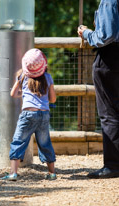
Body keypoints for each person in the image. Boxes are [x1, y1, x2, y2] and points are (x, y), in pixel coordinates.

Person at [1, 48, 57, 181]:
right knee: (45, 143)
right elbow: (53, 99)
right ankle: (52, 173)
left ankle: (13, 173)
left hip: (28, 114)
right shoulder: (48, 78)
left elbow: (13, 94)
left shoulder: (22, 76)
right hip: (44, 115)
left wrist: (23, 94)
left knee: (18, 141)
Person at [77, 0, 119, 178]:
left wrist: (86, 33)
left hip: (110, 58)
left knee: (109, 113)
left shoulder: (109, 1)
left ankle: (113, 165)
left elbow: (105, 36)